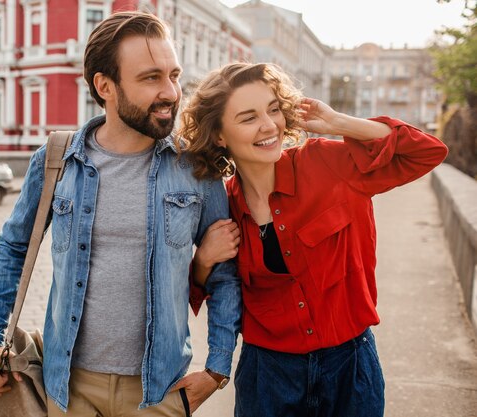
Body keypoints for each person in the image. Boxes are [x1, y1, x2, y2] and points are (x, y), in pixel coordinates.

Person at [0, 11, 241, 417]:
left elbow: (224, 274)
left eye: (174, 74)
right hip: (68, 386)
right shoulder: (57, 160)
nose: (170, 91)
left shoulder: (196, 167)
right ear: (105, 86)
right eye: (151, 78)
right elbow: (13, 248)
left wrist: (217, 369)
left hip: (159, 390)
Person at [181, 62, 448, 417]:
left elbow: (426, 151)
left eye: (273, 110)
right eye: (248, 118)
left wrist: (340, 123)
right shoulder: (220, 205)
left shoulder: (326, 162)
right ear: (219, 135)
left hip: (350, 367)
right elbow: (202, 291)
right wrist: (202, 262)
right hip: (268, 377)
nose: (269, 126)